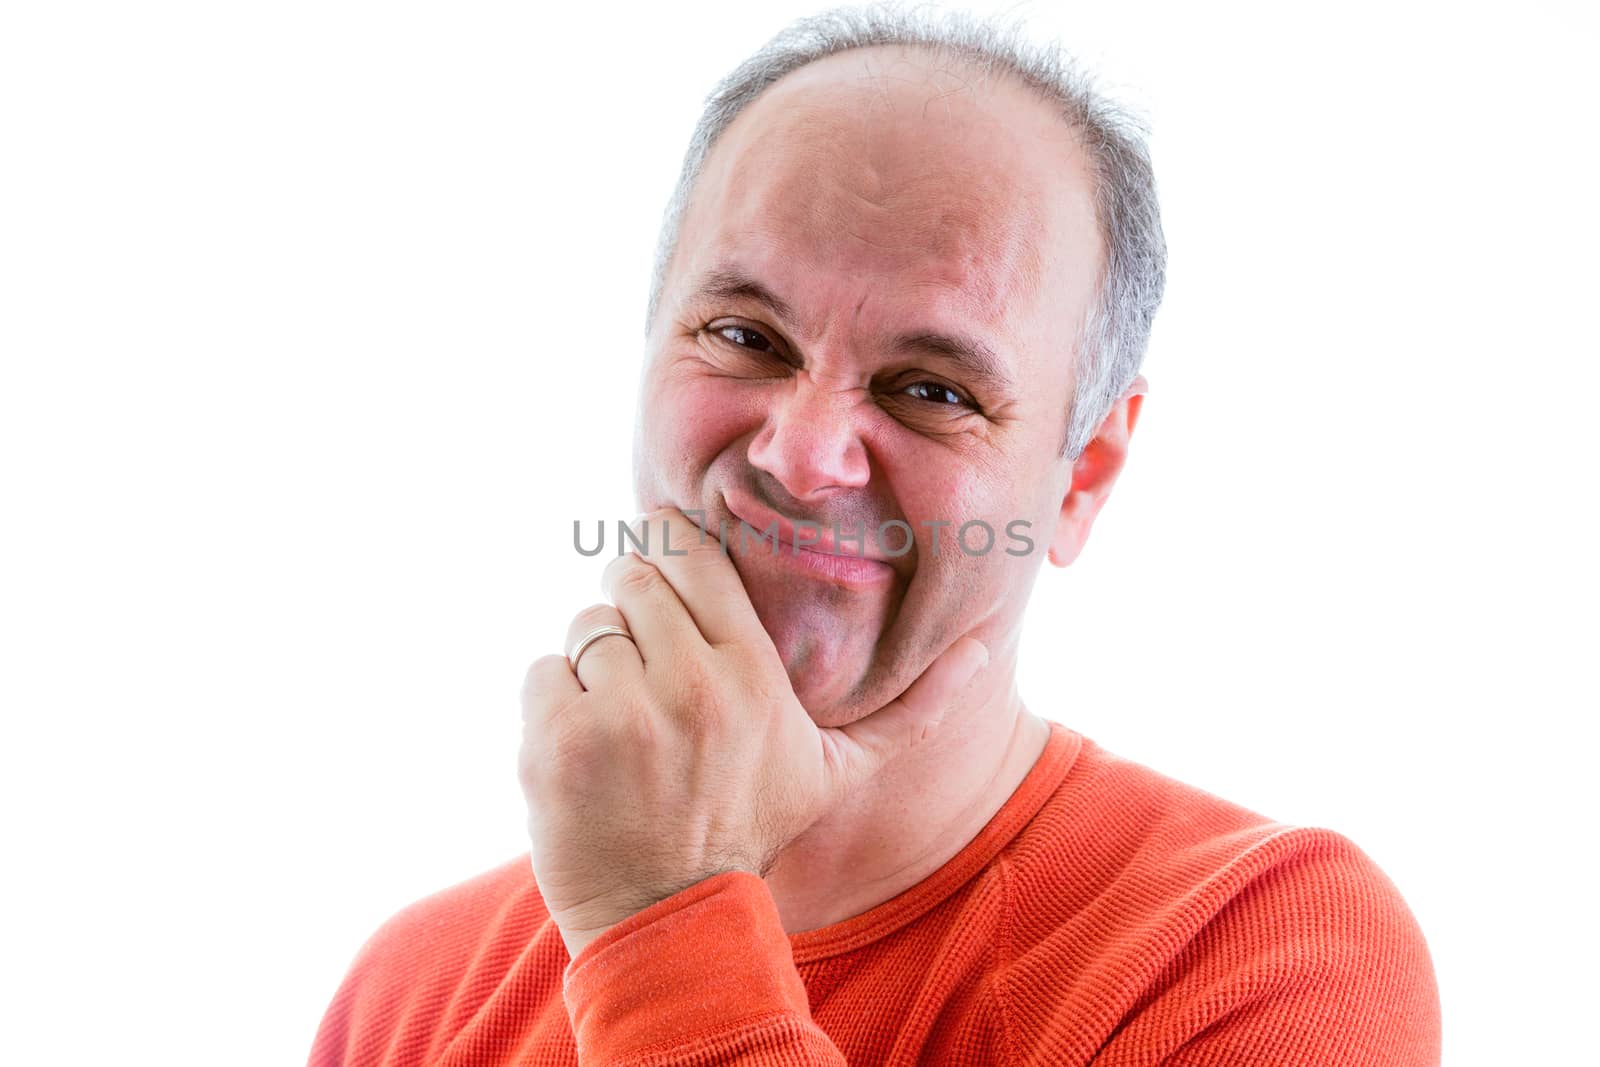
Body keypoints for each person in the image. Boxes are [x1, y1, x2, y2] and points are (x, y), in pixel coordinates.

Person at [309, 6, 1441, 1064]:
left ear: (1083, 472)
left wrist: (663, 917)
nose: (800, 455)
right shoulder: (414, 988)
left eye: (931, 390)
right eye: (745, 335)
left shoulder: (1261, 951)